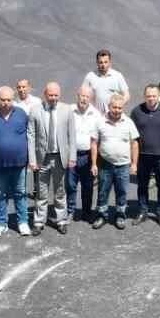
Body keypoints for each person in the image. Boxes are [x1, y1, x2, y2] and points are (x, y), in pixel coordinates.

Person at [0, 86, 32, 237]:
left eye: (9, 100)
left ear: (13, 100)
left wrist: (32, 158)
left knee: (20, 193)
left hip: (19, 163)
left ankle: (23, 222)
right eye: (3, 100)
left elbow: (31, 136)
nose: (6, 103)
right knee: (0, 194)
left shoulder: (21, 114)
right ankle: (1, 223)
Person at [28, 80, 76, 234]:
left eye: (56, 95)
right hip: (42, 158)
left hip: (60, 157)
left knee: (60, 191)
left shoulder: (67, 110)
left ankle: (61, 220)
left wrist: (72, 157)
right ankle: (38, 222)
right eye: (50, 95)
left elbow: (72, 135)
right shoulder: (35, 110)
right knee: (41, 192)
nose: (53, 98)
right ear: (45, 94)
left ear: (59, 95)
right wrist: (32, 159)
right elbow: (31, 136)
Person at [129, 83, 160, 225]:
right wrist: (133, 159)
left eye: (154, 96)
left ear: (158, 96)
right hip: (143, 155)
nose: (151, 99)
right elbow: (131, 136)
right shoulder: (136, 111)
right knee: (142, 185)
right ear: (144, 96)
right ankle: (142, 211)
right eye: (148, 96)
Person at [91, 92, 139, 230]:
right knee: (103, 191)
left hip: (123, 165)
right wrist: (94, 164)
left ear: (123, 108)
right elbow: (94, 143)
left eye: (120, 108)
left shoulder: (128, 122)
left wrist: (134, 164)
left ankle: (120, 215)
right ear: (109, 106)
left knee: (122, 191)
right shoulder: (100, 121)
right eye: (114, 107)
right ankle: (102, 215)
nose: (117, 110)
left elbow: (134, 143)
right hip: (105, 164)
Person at [68, 85, 104, 224]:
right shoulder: (69, 111)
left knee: (87, 186)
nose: (84, 99)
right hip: (71, 155)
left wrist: (97, 161)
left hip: (88, 155)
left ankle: (86, 212)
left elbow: (100, 136)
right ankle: (70, 211)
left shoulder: (96, 114)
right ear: (77, 96)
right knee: (70, 185)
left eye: (87, 97)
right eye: (82, 96)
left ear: (91, 99)